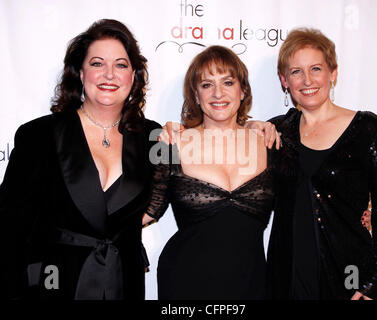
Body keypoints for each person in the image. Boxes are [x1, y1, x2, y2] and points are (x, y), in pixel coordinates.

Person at [0, 19, 161, 300]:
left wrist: (258, 128)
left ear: (133, 76)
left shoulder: (155, 136)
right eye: (97, 63)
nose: (109, 74)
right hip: (54, 284)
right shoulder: (38, 135)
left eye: (121, 65)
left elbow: (173, 179)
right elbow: (9, 228)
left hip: (123, 283)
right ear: (80, 72)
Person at [251, 28, 377, 300]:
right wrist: (251, 126)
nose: (307, 80)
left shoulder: (366, 128)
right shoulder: (277, 130)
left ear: (333, 73)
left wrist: (372, 284)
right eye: (296, 71)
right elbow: (225, 138)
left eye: (316, 68)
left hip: (348, 275)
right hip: (286, 277)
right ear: (284, 80)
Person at [143, 45, 276, 299]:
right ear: (195, 93)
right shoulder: (170, 143)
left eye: (227, 82)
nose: (218, 93)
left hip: (251, 284)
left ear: (243, 89)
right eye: (206, 85)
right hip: (185, 283)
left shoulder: (269, 142)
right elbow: (150, 209)